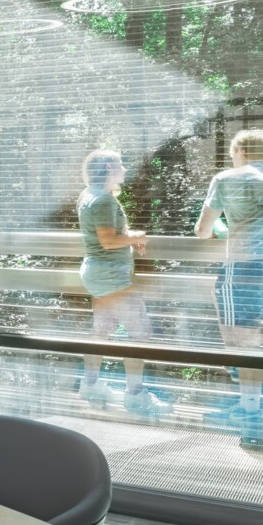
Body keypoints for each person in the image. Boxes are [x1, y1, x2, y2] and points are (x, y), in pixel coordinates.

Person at [195, 129, 263, 444]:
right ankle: (245, 404)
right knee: (249, 337)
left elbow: (203, 230)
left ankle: (251, 418)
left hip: (243, 266)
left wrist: (219, 227)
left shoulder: (228, 178)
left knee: (242, 341)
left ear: (240, 150)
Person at [76, 150, 170, 417]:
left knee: (102, 331)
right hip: (110, 275)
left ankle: (90, 385)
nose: (125, 169)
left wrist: (127, 236)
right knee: (141, 331)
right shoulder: (104, 199)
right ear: (108, 167)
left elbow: (104, 236)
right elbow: (107, 240)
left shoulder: (88, 194)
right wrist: (136, 236)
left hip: (98, 273)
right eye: (120, 164)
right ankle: (136, 397)